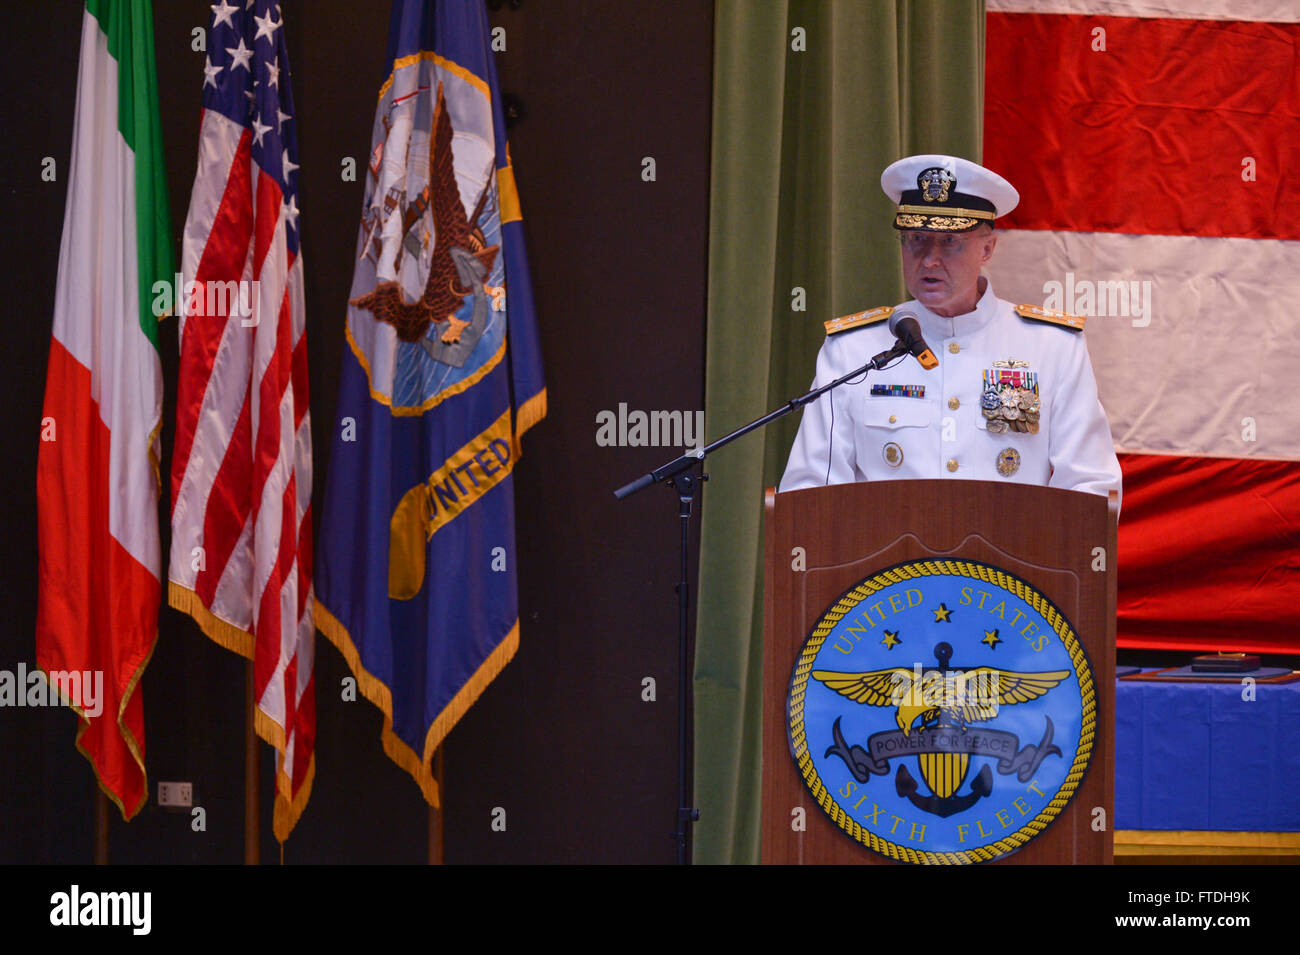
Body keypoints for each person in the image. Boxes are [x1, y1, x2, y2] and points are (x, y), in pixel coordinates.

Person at [779, 154, 1121, 504]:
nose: (929, 259)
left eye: (949, 242)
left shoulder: (1052, 347)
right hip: (889, 558)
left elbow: (1090, 486)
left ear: (987, 248)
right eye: (916, 239)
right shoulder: (852, 350)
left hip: (1006, 557)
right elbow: (811, 489)